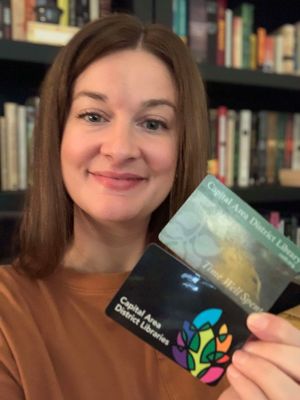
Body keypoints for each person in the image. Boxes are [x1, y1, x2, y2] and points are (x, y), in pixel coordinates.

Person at [0, 13, 299, 400]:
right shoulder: (9, 314)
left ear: (183, 147)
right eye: (93, 115)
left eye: (154, 123)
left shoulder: (249, 302)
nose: (121, 149)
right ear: (57, 134)